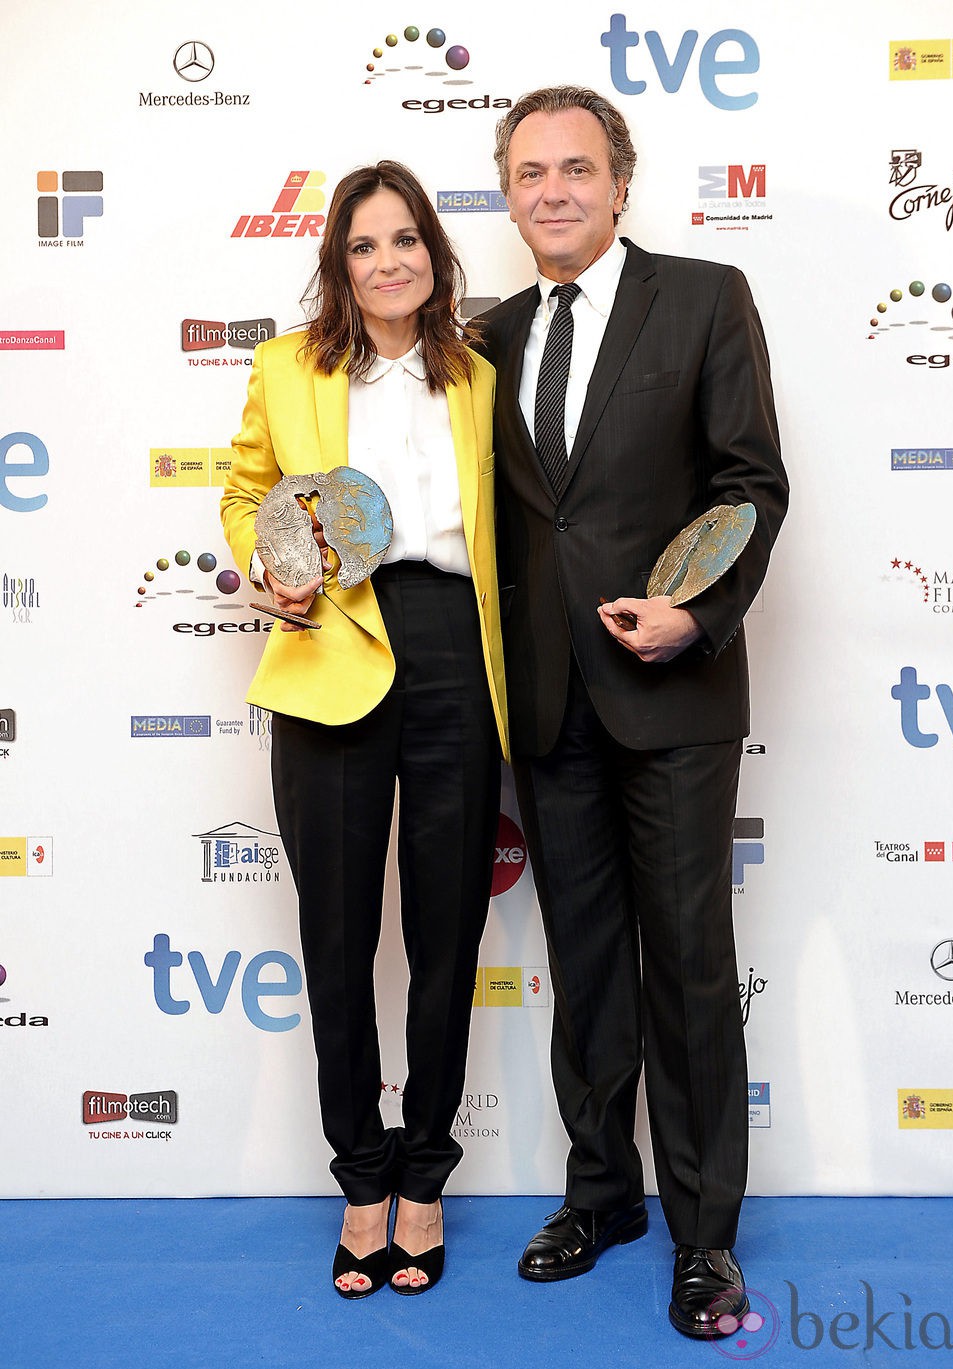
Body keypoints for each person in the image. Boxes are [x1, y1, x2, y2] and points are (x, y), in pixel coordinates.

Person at [478, 87, 788, 1337]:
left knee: (688, 971)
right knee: (586, 966)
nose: (550, 190)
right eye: (526, 173)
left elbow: (749, 486)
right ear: (508, 194)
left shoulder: (704, 297)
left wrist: (696, 617)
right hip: (545, 703)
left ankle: (703, 1233)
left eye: (574, 168)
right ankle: (600, 1191)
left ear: (619, 182)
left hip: (671, 692)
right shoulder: (485, 336)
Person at [221, 161, 508, 1299]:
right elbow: (248, 495)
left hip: (452, 648)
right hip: (331, 642)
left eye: (406, 241)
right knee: (338, 937)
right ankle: (359, 1182)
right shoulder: (283, 368)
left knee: (445, 935)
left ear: (434, 255)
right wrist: (269, 566)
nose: (388, 261)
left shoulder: (482, 374)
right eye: (363, 245)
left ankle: (425, 1177)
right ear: (337, 264)